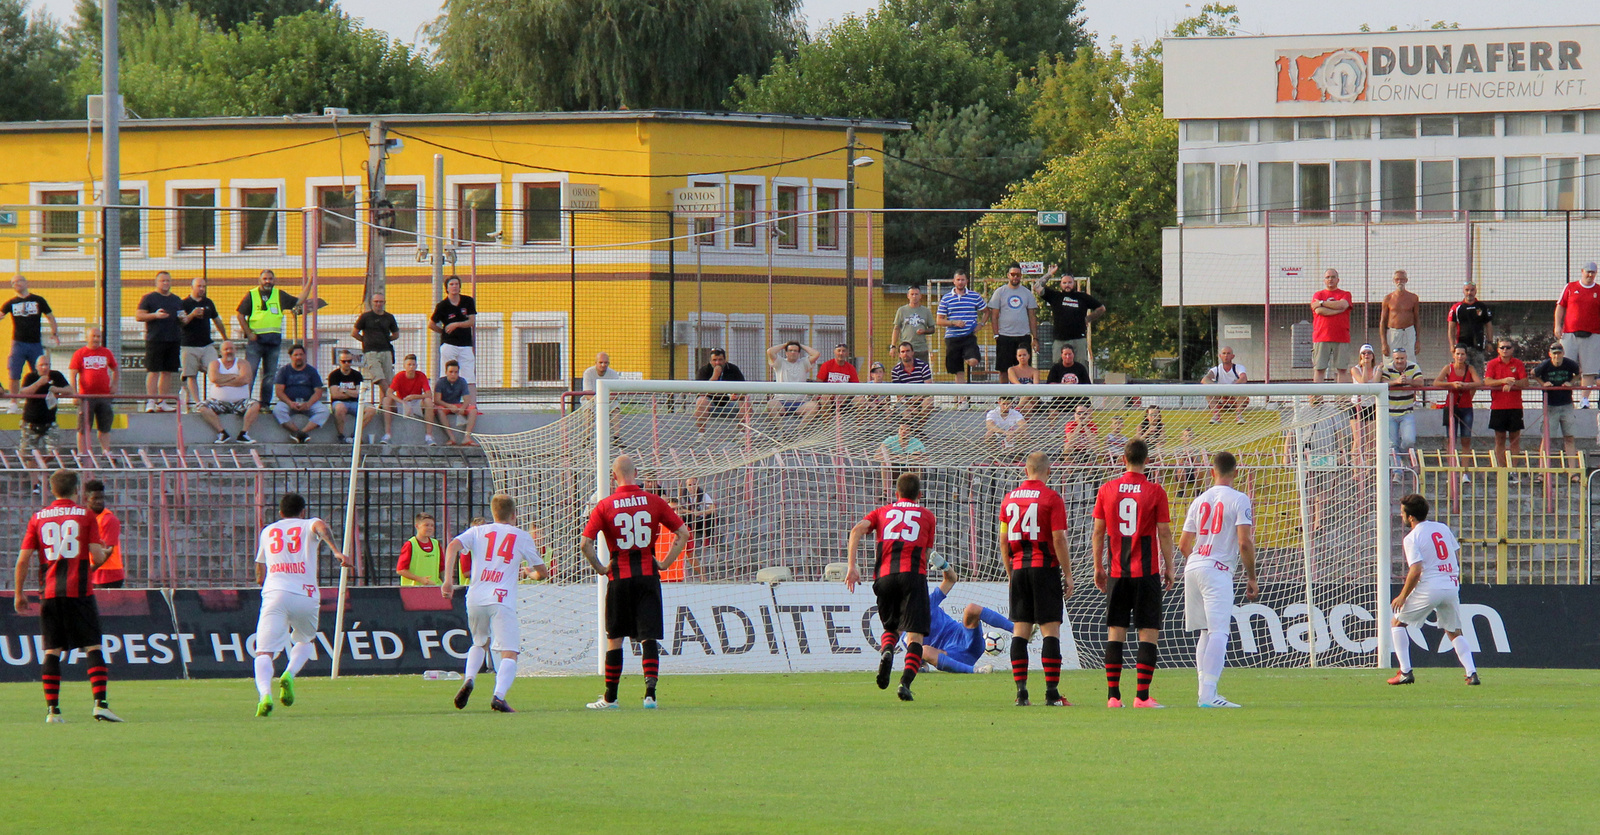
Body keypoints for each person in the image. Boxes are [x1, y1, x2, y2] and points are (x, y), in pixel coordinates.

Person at [581, 455, 689, 710]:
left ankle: (610, 698)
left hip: (619, 577)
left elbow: (585, 543)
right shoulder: (654, 501)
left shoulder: (605, 505)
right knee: (648, 636)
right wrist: (664, 563)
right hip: (648, 576)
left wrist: (600, 568)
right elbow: (683, 534)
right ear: (636, 472)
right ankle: (650, 695)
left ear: (613, 476)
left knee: (615, 637)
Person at [13, 468, 120, 723]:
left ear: (52, 490)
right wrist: (105, 553)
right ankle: (100, 705)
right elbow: (96, 554)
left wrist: (19, 593)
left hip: (49, 593)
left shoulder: (38, 517)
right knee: (92, 646)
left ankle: (53, 711)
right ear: (76, 489)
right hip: (79, 591)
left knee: (52, 650)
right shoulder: (85, 515)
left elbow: (23, 560)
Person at [443, 494, 548, 712]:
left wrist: (448, 581)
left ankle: (469, 679)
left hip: (475, 597)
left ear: (493, 513)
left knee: (479, 643)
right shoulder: (521, 536)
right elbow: (543, 572)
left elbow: (452, 546)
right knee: (510, 652)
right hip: (501, 598)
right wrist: (531, 575)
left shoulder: (478, 531)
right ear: (514, 515)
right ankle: (498, 697)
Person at [251, 492, 350, 717]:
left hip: (275, 592)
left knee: (264, 652)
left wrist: (262, 582)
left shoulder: (268, 531)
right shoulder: (309, 523)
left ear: (280, 512)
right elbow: (322, 527)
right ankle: (289, 674)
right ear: (302, 511)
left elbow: (259, 568)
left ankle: (264, 695)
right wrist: (336, 551)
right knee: (306, 640)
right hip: (305, 594)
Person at [1090, 438, 1173, 709]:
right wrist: (1170, 566)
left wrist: (1097, 567)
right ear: (1147, 460)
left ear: (1122, 459)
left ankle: (1113, 696)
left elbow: (1098, 532)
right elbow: (1164, 532)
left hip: (1116, 572)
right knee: (1148, 633)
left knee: (1116, 633)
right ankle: (1142, 697)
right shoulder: (1155, 491)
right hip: (1146, 572)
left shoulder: (1107, 489)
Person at [1177, 451, 1259, 709]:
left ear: (1212, 472)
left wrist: (1200, 560)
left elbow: (1183, 544)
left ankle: (1204, 692)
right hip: (1218, 569)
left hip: (1193, 567)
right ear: (1236, 472)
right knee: (1219, 632)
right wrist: (1251, 577)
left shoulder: (1199, 500)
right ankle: (1209, 695)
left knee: (1205, 632)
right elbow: (1245, 542)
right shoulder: (1239, 498)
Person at [845, 471, 936, 702]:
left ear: (896, 493)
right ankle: (904, 683)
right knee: (915, 637)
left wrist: (852, 567)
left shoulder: (882, 512)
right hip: (913, 576)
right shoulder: (927, 516)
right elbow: (925, 552)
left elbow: (856, 530)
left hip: (884, 577)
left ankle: (886, 651)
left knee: (892, 628)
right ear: (919, 494)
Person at [999, 452, 1073, 707]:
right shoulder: (1052, 498)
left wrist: (1010, 571)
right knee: (1050, 630)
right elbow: (1059, 538)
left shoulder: (1009, 499)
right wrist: (1068, 574)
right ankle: (1052, 693)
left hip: (1019, 568)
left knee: (1020, 631)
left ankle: (1021, 693)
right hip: (1045, 568)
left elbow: (1003, 539)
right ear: (1048, 471)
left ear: (1025, 470)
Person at [1387, 494, 1478, 686]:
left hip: (1431, 586)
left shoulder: (1412, 537)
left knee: (1397, 622)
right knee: (1454, 631)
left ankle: (1405, 672)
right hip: (1451, 584)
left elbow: (1416, 569)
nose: (1401, 516)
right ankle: (1472, 673)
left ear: (1411, 517)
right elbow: (1453, 552)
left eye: (1403, 513)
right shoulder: (1442, 528)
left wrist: (1403, 596)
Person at [918, 567, 1011, 675]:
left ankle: (1016, 630)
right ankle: (976, 671)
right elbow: (922, 662)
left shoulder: (928, 602)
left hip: (967, 638)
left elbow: (951, 580)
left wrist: (943, 564)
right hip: (952, 655)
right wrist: (922, 668)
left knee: (971, 609)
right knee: (922, 650)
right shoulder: (908, 633)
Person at [236, 269, 302, 408]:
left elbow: (298, 301)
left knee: (270, 376)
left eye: (270, 279)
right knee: (250, 373)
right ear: (260, 280)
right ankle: (244, 403)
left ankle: (265, 404)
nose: (268, 281)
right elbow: (240, 314)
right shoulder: (252, 294)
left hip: (273, 342)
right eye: (265, 278)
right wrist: (248, 333)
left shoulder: (279, 295)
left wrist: (310, 285)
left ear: (274, 280)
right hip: (256, 342)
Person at [1033, 265, 1104, 374]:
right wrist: (1050, 274)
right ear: (1061, 284)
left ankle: (1081, 390)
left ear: (1074, 283)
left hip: (1078, 339)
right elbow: (1037, 287)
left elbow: (1101, 308)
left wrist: (1088, 319)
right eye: (1064, 283)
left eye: (1070, 282)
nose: (1067, 285)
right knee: (1057, 367)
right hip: (1059, 339)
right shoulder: (1055, 296)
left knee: (1081, 367)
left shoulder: (1082, 297)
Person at [4, 275, 59, 404]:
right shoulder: (12, 303)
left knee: (40, 372)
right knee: (14, 371)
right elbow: (1, 314)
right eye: (12, 283)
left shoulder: (38, 300)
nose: (15, 284)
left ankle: (39, 400)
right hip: (18, 343)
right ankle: (14, 402)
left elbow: (50, 316)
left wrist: (54, 333)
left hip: (35, 343)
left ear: (25, 282)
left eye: (18, 281)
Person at [136, 271, 185, 412]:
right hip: (155, 339)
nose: (165, 283)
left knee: (167, 371)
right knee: (153, 371)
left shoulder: (176, 300)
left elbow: (182, 317)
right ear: (156, 282)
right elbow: (139, 315)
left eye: (168, 281)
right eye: (163, 281)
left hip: (173, 339)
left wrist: (185, 317)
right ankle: (150, 401)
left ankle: (162, 401)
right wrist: (155, 315)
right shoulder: (149, 298)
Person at [1554, 261, 1600, 409]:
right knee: (1565, 366)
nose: (1590, 275)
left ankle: (1584, 400)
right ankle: (1566, 399)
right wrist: (1557, 325)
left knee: (1589, 369)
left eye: (1593, 272)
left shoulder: (1598, 290)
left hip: (1593, 335)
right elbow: (1560, 306)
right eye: (1588, 272)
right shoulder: (1570, 287)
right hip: (1569, 334)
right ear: (1582, 271)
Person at [1533, 342, 1582, 478]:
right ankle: (1542, 472)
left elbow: (1579, 373)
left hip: (1566, 405)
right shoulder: (1545, 365)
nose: (1557, 356)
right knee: (1546, 438)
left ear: (1563, 353)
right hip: (1550, 406)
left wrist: (1571, 383)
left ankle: (1573, 471)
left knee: (1569, 437)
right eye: (1554, 353)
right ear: (1550, 354)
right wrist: (1543, 384)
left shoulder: (1570, 364)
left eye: (1559, 353)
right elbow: (1533, 373)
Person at [198, 339, 261, 444]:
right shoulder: (215, 364)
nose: (229, 351)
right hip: (219, 403)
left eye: (231, 348)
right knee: (202, 407)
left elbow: (245, 379)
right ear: (221, 351)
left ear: (235, 350)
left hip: (240, 402)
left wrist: (222, 382)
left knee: (255, 405)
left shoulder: (242, 363)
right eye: (226, 349)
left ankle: (244, 434)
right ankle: (222, 433)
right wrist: (234, 377)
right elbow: (214, 379)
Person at [68, 326, 117, 456]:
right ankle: (82, 453)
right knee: (83, 427)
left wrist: (114, 385)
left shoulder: (106, 352)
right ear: (87, 338)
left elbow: (115, 369)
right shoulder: (80, 353)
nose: (96, 339)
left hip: (104, 396)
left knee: (105, 426)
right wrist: (74, 394)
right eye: (94, 336)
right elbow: (73, 374)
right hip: (86, 396)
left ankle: (106, 451)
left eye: (98, 336)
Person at [178, 277, 227, 409]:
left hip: (207, 344)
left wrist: (225, 338)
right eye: (199, 286)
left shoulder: (208, 302)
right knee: (190, 374)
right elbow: (182, 322)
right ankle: (197, 402)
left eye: (204, 286)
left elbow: (217, 320)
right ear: (192, 287)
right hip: (188, 345)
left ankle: (217, 400)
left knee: (216, 371)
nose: (202, 289)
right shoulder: (184, 303)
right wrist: (192, 314)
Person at [1483, 339, 1528, 482]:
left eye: (1508, 347)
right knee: (1499, 439)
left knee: (1514, 440)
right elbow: (1487, 381)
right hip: (1498, 407)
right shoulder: (1492, 364)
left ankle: (1513, 471)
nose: (1505, 350)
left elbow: (1525, 382)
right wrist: (1503, 381)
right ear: (1498, 349)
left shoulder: (1518, 364)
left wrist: (1512, 382)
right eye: (1502, 347)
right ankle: (1502, 470)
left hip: (1515, 406)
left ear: (1512, 349)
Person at [1435, 346, 1481, 481]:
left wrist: (1466, 385)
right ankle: (1452, 473)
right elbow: (1436, 382)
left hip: (1466, 407)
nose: (1460, 357)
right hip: (1451, 407)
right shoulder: (1448, 368)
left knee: (1466, 440)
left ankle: (1464, 473)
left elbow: (1479, 382)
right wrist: (1452, 385)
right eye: (1458, 354)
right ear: (1453, 355)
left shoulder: (1469, 369)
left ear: (1466, 356)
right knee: (1451, 440)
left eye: (1462, 354)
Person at [430, 276, 477, 401]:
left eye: (457, 284)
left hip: (465, 344)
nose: (455, 286)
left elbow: (471, 321)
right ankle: (444, 403)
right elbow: (431, 324)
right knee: (447, 373)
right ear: (447, 288)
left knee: (469, 375)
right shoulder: (442, 305)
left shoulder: (467, 301)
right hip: (449, 344)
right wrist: (443, 332)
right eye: (451, 284)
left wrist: (456, 324)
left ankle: (472, 405)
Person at [987, 263, 1038, 380]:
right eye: (1013, 274)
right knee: (1004, 369)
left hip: (1023, 337)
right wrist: (996, 335)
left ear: (1021, 276)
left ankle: (1024, 396)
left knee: (1024, 368)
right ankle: (1005, 397)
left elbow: (1032, 316)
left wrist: (1035, 338)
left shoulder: (1027, 293)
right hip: (1005, 336)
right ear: (1008, 275)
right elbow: (994, 316)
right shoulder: (1000, 292)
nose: (1015, 277)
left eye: (1018, 275)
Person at [937, 269, 986, 382]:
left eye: (962, 280)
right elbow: (939, 320)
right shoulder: (946, 298)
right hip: (952, 337)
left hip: (968, 336)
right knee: (957, 370)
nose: (960, 282)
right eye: (958, 280)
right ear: (954, 281)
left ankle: (966, 356)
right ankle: (960, 398)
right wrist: (953, 322)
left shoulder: (974, 296)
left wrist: (981, 324)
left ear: (966, 281)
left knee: (973, 361)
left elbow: (986, 311)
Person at [272, 344, 328, 444]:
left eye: (301, 354)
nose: (299, 357)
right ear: (291, 357)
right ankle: (296, 431)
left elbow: (318, 391)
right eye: (296, 355)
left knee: (324, 411)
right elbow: (279, 392)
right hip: (289, 402)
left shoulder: (312, 371)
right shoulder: (283, 371)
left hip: (307, 402)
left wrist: (308, 404)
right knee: (278, 410)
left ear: (305, 356)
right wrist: (290, 403)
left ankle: (302, 433)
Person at [18, 354, 70, 456]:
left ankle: (45, 469)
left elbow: (70, 390)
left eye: (47, 365)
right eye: (42, 365)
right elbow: (23, 392)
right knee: (27, 454)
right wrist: (38, 383)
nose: (44, 367)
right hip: (31, 421)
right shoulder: (31, 377)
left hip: (49, 421)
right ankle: (34, 471)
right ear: (36, 367)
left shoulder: (56, 375)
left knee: (54, 452)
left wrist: (58, 389)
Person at [352, 293, 399, 401]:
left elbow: (396, 335)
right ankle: (393, 400)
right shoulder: (365, 317)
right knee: (379, 377)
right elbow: (354, 333)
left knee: (388, 380)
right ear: (372, 303)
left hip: (386, 351)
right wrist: (366, 340)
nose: (378, 304)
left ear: (384, 303)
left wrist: (385, 339)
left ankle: (384, 404)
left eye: (381, 301)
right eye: (376, 301)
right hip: (371, 352)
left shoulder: (389, 317)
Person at [382, 353, 436, 446]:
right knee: (386, 400)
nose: (411, 367)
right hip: (402, 403)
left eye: (413, 365)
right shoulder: (399, 376)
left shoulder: (421, 375)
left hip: (416, 403)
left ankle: (429, 436)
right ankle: (387, 434)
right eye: (409, 365)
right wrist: (402, 401)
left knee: (428, 401)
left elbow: (429, 394)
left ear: (416, 366)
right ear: (404, 366)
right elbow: (389, 392)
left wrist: (415, 396)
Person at [1311, 268, 1353, 385]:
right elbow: (1319, 311)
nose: (1330, 279)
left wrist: (1322, 303)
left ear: (1338, 279)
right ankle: (1317, 401)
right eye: (1328, 277)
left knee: (1342, 369)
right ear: (1324, 280)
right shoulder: (1318, 294)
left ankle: (1341, 401)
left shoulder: (1345, 294)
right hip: (1321, 337)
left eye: (1333, 277)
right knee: (1319, 369)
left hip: (1342, 337)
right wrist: (1338, 310)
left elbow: (1343, 304)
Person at [1381, 347, 1423, 464]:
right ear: (1393, 358)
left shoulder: (1413, 367)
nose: (1400, 361)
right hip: (1390, 412)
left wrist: (1408, 381)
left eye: (1402, 358)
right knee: (1391, 444)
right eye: (1397, 358)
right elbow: (1383, 382)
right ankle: (1397, 472)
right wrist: (1396, 382)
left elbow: (1420, 382)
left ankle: (1402, 453)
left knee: (1409, 440)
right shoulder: (1387, 368)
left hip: (1407, 412)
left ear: (1406, 358)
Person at [693, 348, 746, 435]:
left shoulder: (733, 369)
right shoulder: (704, 370)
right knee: (701, 401)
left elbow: (744, 389)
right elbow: (700, 392)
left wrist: (737, 396)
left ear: (725, 360)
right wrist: (715, 376)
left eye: (720, 360)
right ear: (710, 361)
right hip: (711, 404)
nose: (717, 363)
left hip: (730, 403)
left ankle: (742, 434)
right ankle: (701, 434)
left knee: (745, 402)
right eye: (714, 360)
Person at [766, 341, 820, 422]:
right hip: (781, 401)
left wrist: (800, 345)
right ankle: (781, 431)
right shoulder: (780, 362)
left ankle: (799, 432)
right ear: (786, 353)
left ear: (799, 353)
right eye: (790, 350)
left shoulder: (803, 363)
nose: (793, 352)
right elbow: (770, 351)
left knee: (814, 406)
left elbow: (816, 354)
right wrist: (785, 344)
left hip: (800, 402)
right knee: (771, 404)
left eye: (795, 350)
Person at [85, 480, 125, 589]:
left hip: (108, 574)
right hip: (93, 573)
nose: (99, 502)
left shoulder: (109, 519)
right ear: (86, 499)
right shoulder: (85, 518)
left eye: (101, 498)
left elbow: (107, 552)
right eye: (95, 498)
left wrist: (85, 572)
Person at [1447, 283, 1494, 370]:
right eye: (1467, 290)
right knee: (1462, 371)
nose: (1469, 293)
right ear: (1463, 291)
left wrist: (1490, 342)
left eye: (1472, 290)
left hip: (1478, 346)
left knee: (1478, 372)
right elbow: (1451, 328)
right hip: (1462, 346)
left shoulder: (1482, 307)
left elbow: (1489, 325)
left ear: (1476, 291)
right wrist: (1452, 345)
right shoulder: (1456, 308)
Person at [1379, 270, 1420, 364]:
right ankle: (1390, 379)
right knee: (1390, 360)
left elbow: (1417, 319)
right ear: (1393, 281)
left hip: (1408, 332)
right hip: (1393, 333)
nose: (1399, 282)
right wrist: (1384, 343)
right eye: (1397, 279)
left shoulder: (1413, 298)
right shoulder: (1388, 298)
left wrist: (1417, 340)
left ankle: (1410, 378)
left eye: (1402, 279)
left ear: (1406, 280)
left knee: (1410, 360)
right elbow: (1383, 321)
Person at [1347, 344, 1381, 459]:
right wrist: (1365, 367)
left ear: (1373, 356)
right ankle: (1356, 471)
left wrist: (1369, 367)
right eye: (1364, 353)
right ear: (1360, 356)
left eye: (1369, 353)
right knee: (1358, 440)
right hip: (1357, 405)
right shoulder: (1355, 369)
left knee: (1371, 439)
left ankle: (1368, 470)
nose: (1366, 355)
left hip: (1371, 406)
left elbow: (1374, 385)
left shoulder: (1378, 369)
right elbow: (1363, 382)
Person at [327, 349, 368, 444]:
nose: (346, 363)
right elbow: (335, 394)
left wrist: (344, 391)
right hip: (339, 403)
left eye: (349, 361)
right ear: (339, 362)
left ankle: (355, 434)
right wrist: (352, 393)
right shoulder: (334, 375)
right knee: (340, 408)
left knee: (371, 409)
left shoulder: (357, 375)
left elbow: (359, 393)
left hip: (354, 403)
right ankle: (340, 435)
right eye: (343, 361)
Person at [434, 359, 478, 445]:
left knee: (473, 410)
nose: (453, 375)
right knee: (439, 410)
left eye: (456, 372)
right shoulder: (440, 382)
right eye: (451, 372)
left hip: (457, 405)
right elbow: (437, 400)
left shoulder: (462, 381)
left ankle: (467, 437)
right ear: (446, 372)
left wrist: (463, 407)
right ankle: (451, 437)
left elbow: (467, 399)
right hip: (445, 405)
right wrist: (449, 406)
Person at [889, 342, 933, 426]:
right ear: (899, 355)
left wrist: (916, 399)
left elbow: (928, 388)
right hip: (905, 402)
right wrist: (910, 405)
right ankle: (913, 432)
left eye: (908, 351)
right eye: (903, 352)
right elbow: (899, 395)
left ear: (913, 353)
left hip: (921, 399)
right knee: (907, 413)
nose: (906, 354)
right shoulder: (895, 371)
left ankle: (918, 429)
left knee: (929, 402)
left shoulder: (923, 366)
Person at [1202, 346, 1248, 424]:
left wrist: (1230, 389)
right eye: (1224, 353)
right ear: (1220, 356)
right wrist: (1218, 388)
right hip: (1221, 400)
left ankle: (1239, 416)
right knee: (1208, 392)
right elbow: (1204, 380)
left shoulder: (1238, 368)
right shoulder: (1216, 369)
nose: (1226, 356)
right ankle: (1216, 416)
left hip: (1235, 397)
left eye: (1228, 353)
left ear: (1233, 356)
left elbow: (1243, 378)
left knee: (1242, 391)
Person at [890, 287, 935, 364]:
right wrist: (893, 346)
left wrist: (924, 331)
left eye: (916, 294)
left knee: (922, 373)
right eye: (912, 294)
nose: (914, 296)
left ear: (920, 296)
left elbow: (932, 329)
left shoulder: (926, 311)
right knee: (904, 373)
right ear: (908, 296)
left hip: (921, 349)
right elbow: (896, 329)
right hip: (906, 349)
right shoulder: (902, 310)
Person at [396, 512, 444, 586]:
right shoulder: (410, 544)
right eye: (426, 525)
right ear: (417, 526)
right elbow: (401, 570)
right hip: (413, 589)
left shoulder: (436, 544)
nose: (430, 528)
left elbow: (442, 568)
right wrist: (420, 579)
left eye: (432, 525)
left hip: (434, 586)